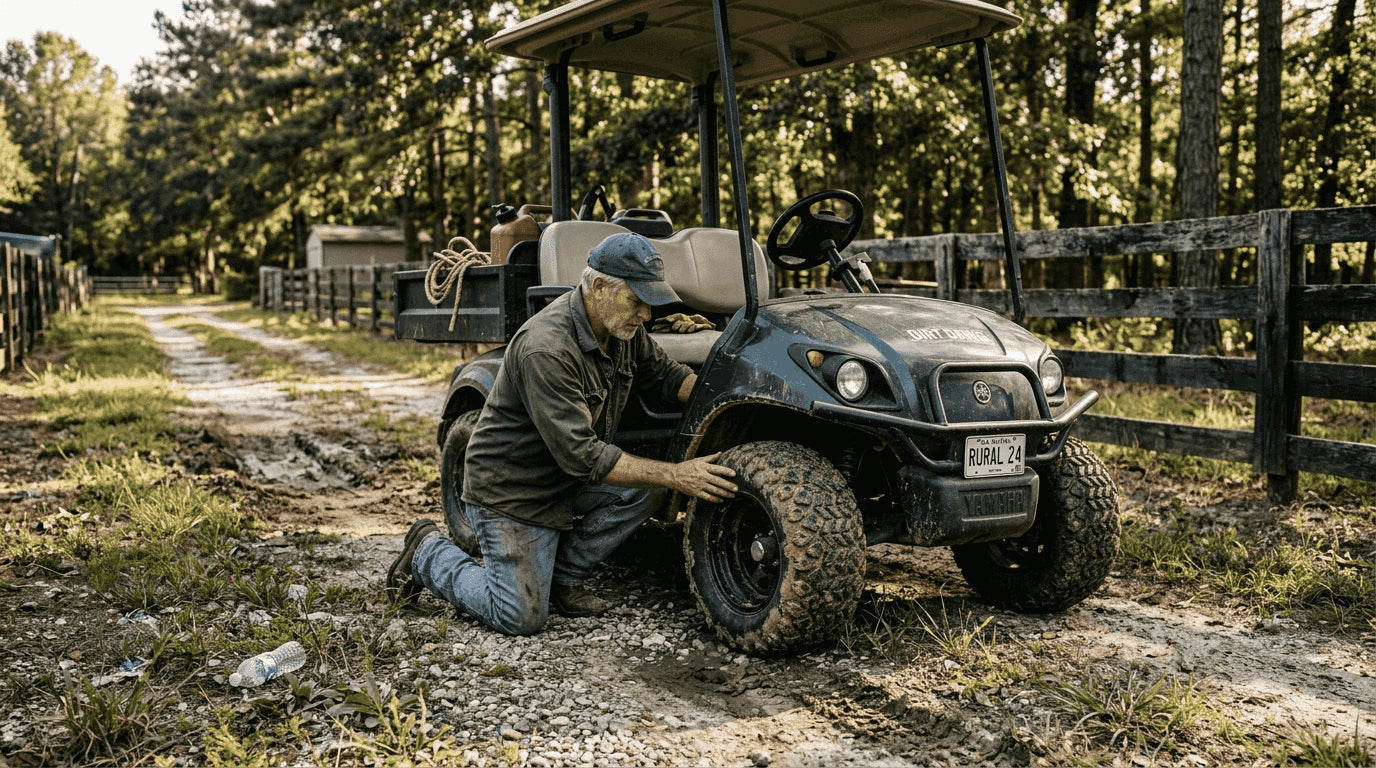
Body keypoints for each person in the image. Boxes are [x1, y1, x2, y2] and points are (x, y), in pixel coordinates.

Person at [386, 232, 738, 635]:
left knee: (647, 488)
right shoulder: (547, 347)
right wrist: (678, 474)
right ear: (599, 286)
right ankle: (428, 552)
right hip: (514, 490)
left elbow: (665, 374)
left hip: (563, 479)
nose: (645, 314)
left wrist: (725, 397)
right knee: (518, 617)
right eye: (636, 301)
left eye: (649, 303)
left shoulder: (620, 327)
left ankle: (561, 577)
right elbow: (584, 456)